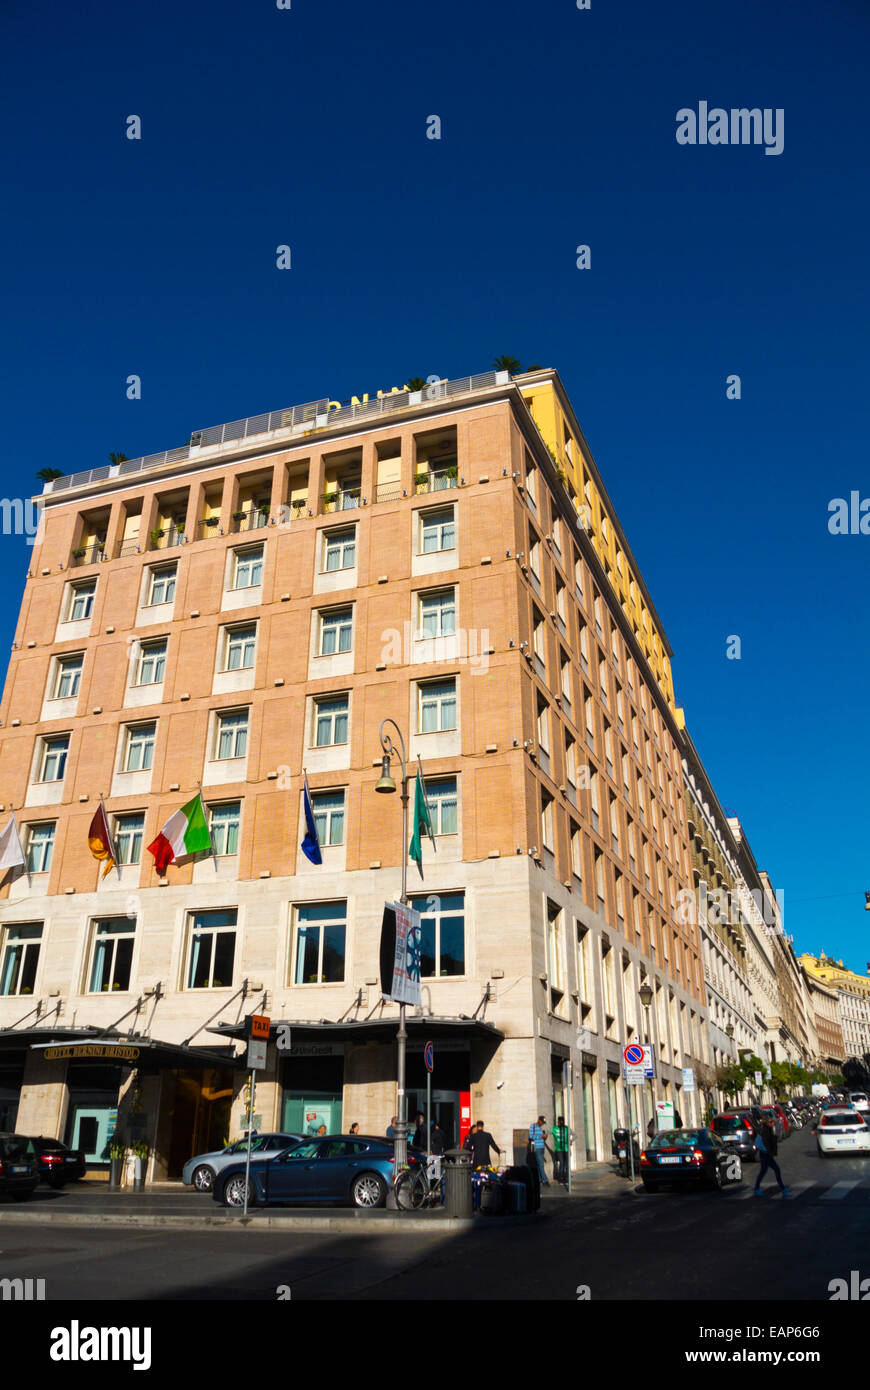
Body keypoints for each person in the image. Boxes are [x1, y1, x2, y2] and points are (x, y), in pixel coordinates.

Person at [753, 1116, 791, 1197]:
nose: (773, 1123)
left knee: (765, 1171)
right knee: (773, 1170)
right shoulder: (766, 1131)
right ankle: (757, 1189)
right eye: (772, 1122)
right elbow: (767, 1143)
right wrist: (770, 1152)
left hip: (765, 1154)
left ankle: (782, 1188)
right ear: (768, 1123)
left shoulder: (768, 1129)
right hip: (766, 1154)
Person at [528, 1115, 549, 1186]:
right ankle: (545, 1180)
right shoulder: (532, 1126)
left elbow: (542, 1137)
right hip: (537, 1148)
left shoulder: (540, 1128)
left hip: (542, 1148)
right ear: (539, 1120)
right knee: (541, 1165)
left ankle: (539, 1180)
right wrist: (540, 1136)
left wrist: (545, 1137)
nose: (542, 1124)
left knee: (538, 1164)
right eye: (542, 1122)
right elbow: (531, 1137)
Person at [551, 1116, 570, 1184]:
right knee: (561, 1163)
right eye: (560, 1121)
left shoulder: (566, 1128)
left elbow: (575, 1135)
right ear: (558, 1121)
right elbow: (549, 1132)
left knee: (567, 1164)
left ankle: (567, 1178)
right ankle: (560, 1178)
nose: (561, 1122)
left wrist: (570, 1141)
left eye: (563, 1121)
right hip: (559, 1149)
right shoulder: (555, 1129)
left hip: (566, 1149)